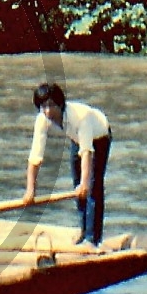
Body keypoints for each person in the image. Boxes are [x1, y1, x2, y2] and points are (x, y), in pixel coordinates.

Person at [22, 83, 111, 246]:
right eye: (43, 106)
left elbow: (87, 152)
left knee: (92, 186)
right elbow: (35, 156)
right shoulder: (42, 119)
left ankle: (93, 239)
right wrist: (30, 190)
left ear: (60, 104)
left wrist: (85, 184)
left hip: (99, 136)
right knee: (76, 187)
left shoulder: (80, 117)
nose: (48, 111)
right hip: (77, 138)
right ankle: (83, 230)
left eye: (51, 106)